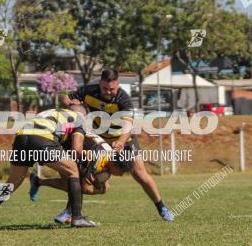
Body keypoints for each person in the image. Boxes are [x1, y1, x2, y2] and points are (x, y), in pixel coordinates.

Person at [63, 68, 174, 222]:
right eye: (105, 88)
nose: (108, 92)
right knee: (82, 171)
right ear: (100, 83)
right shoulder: (88, 91)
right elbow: (67, 98)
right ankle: (70, 212)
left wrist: (121, 141)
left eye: (112, 89)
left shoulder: (124, 99)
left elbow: (128, 125)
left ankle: (162, 208)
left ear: (118, 85)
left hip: (123, 139)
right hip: (98, 139)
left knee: (139, 173)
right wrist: (72, 104)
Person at [0, 108, 99, 231]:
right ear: (84, 115)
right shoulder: (79, 119)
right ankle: (77, 217)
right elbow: (77, 150)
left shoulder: (53, 112)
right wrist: (90, 164)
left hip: (21, 137)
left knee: (11, 184)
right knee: (73, 171)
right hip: (43, 138)